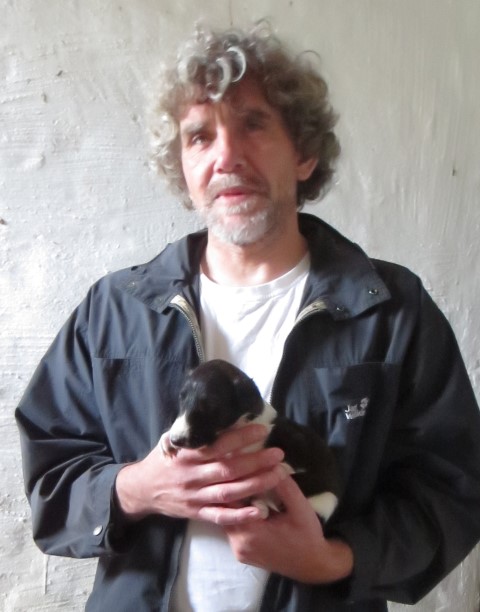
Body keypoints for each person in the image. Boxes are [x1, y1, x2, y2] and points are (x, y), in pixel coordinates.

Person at [16, 22, 480, 612]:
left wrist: (332, 561)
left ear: (304, 153)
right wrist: (136, 488)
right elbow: (50, 477)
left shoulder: (390, 310)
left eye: (253, 125)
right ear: (182, 168)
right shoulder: (114, 311)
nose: (226, 157)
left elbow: (452, 490)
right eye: (199, 136)